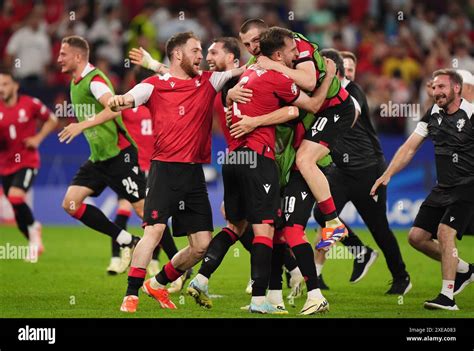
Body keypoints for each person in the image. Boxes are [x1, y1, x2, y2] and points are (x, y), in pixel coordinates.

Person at [59, 31, 245, 313]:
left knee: (201, 246)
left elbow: (250, 67)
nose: (202, 56)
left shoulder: (210, 81)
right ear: (179, 54)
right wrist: (117, 100)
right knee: (154, 231)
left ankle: (157, 284)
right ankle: (130, 295)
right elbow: (124, 99)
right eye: (196, 50)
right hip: (163, 170)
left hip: (194, 174)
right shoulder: (152, 86)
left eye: (203, 51)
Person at [371, 69, 474, 310]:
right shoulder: (432, 115)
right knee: (416, 237)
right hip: (444, 187)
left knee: (444, 232)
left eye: (442, 87)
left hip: (468, 185)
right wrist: (387, 174)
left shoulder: (470, 113)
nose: (436, 92)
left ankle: (447, 297)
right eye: (434, 87)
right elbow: (409, 148)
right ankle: (464, 269)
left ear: (456, 89)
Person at [312, 50, 411, 295]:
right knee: (322, 213)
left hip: (369, 170)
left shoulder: (352, 91)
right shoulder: (324, 93)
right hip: (342, 170)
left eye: (350, 67)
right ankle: (359, 252)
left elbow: (351, 114)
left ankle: (401, 277)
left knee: (378, 227)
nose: (347, 71)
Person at [57, 36, 144, 263]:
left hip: (119, 155)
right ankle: (127, 240)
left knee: (145, 212)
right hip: (99, 158)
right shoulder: (75, 82)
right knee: (71, 203)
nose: (58, 59)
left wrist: (81, 125)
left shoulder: (94, 80)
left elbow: (114, 108)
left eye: (63, 54)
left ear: (78, 56)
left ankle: (179, 265)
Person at [0, 68, 58, 260]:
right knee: (18, 217)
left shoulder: (30, 104)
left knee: (16, 197)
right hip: (5, 164)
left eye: (5, 84)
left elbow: (52, 119)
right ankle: (34, 240)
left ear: (15, 86)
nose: (1, 88)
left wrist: (38, 138)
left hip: (27, 160)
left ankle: (34, 228)